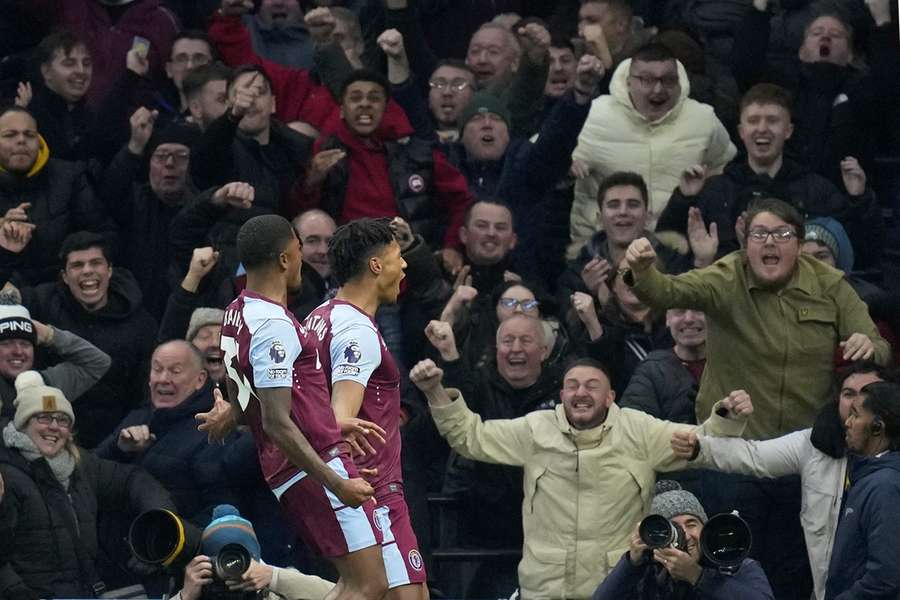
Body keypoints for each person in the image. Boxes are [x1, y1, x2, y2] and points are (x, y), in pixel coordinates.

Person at [624, 198, 891, 599]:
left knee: (796, 571)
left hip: (802, 458)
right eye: (759, 234)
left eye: (782, 234)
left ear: (798, 243)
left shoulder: (829, 284)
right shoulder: (725, 276)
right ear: (745, 243)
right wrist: (640, 269)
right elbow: (664, 291)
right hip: (732, 457)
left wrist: (865, 344)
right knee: (729, 570)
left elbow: (880, 348)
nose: (771, 243)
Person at [409, 357, 752, 598]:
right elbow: (471, 437)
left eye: (592, 385)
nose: (580, 392)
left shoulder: (639, 430)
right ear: (562, 396)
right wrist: (436, 391)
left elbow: (699, 441)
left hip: (616, 589)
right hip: (543, 590)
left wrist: (727, 418)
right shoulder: (535, 429)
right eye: (571, 386)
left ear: (610, 397)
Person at [213, 214, 387, 600]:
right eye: (297, 250)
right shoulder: (273, 325)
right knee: (369, 584)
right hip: (309, 466)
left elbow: (247, 400)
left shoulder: (236, 311)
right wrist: (337, 482)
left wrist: (325, 424)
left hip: (291, 464)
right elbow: (276, 422)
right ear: (284, 259)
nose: (303, 260)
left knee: (353, 583)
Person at [670, 362, 896, 600]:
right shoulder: (813, 445)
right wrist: (701, 448)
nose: (855, 403)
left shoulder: (886, 482)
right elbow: (753, 456)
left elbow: (885, 575)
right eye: (848, 394)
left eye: (867, 394)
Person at [303, 218, 428, 598]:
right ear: (376, 266)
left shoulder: (317, 319)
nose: (404, 265)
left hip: (344, 482)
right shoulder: (356, 330)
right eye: (396, 256)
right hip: (368, 485)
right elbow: (341, 416)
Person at [656, 83, 883, 268]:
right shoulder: (715, 189)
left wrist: (859, 200)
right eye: (753, 120)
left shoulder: (817, 189)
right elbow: (668, 249)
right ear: (741, 132)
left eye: (772, 120)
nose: (762, 128)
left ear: (788, 131)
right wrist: (684, 199)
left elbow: (864, 252)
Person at [0, 370, 176, 599]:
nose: (53, 427)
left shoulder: (80, 464)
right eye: (42, 418)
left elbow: (132, 480)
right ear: (23, 424)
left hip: (88, 590)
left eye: (62, 420)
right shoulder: (7, 473)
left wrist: (160, 521)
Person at [568, 43, 736, 255]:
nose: (658, 89)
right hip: (599, 250)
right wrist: (567, 163)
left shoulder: (703, 119)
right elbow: (546, 155)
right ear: (628, 82)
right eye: (647, 80)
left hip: (675, 252)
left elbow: (725, 165)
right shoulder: (593, 115)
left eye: (667, 80)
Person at [731, 0, 900, 187]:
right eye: (816, 33)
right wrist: (759, 9)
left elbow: (890, 85)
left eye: (836, 35)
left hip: (841, 197)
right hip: (782, 194)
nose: (825, 37)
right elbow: (746, 67)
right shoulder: (784, 84)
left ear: (850, 54)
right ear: (802, 51)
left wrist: (882, 21)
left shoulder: (861, 89)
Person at [21, 232, 158, 448]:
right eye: (77, 265)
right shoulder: (41, 303)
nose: (87, 271)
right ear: (65, 276)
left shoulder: (140, 324)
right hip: (45, 433)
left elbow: (144, 395)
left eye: (96, 263)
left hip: (112, 440)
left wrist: (123, 439)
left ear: (109, 270)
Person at [593, 482, 774, 600]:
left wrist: (698, 577)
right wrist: (631, 564)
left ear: (705, 528)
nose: (685, 535)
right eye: (674, 528)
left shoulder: (735, 567)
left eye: (691, 524)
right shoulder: (647, 573)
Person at [100, 113, 199, 318]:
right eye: (161, 156)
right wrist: (135, 146)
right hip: (135, 313)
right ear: (149, 163)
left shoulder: (202, 208)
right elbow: (111, 190)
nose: (170, 163)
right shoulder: (134, 201)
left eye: (181, 156)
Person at [0, 106, 113, 286]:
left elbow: (102, 236)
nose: (21, 140)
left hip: (64, 293)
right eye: (10, 135)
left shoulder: (69, 177)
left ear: (39, 141)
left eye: (29, 135)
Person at [824, 381, 900, 600]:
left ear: (877, 427)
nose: (847, 423)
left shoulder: (885, 487)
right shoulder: (867, 478)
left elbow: (885, 577)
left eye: (855, 415)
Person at [174, 504, 334, 600]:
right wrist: (184, 596)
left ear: (255, 558)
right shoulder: (199, 592)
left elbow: (350, 594)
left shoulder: (278, 589)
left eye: (239, 558)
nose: (231, 566)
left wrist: (274, 576)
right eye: (222, 559)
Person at [0, 294, 110, 424]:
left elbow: (98, 362)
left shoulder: (49, 383)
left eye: (25, 344)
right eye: (7, 343)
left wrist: (50, 335)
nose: (18, 351)